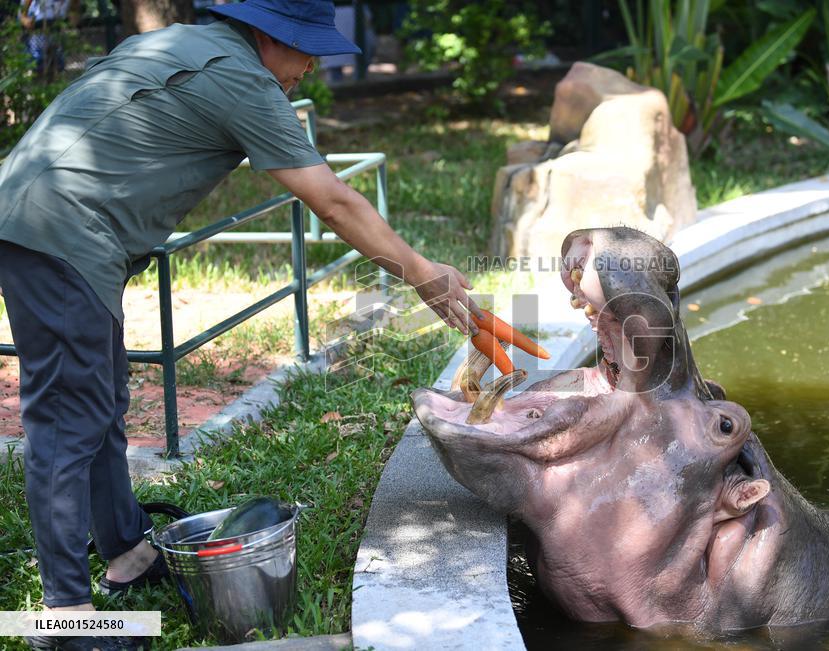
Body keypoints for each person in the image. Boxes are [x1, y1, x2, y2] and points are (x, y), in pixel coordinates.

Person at [0, 1, 481, 649]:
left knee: (100, 395)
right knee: (66, 419)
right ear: (266, 33)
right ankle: (64, 620)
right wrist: (423, 271)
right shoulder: (243, 79)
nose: (311, 65)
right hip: (63, 229)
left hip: (55, 218)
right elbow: (332, 200)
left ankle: (124, 548)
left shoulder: (182, 42)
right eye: (305, 47)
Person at [17, 0, 78, 80]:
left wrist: (72, 25)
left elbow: (74, 10)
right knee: (37, 62)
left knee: (58, 63)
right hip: (37, 29)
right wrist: (25, 20)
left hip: (57, 30)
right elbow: (22, 14)